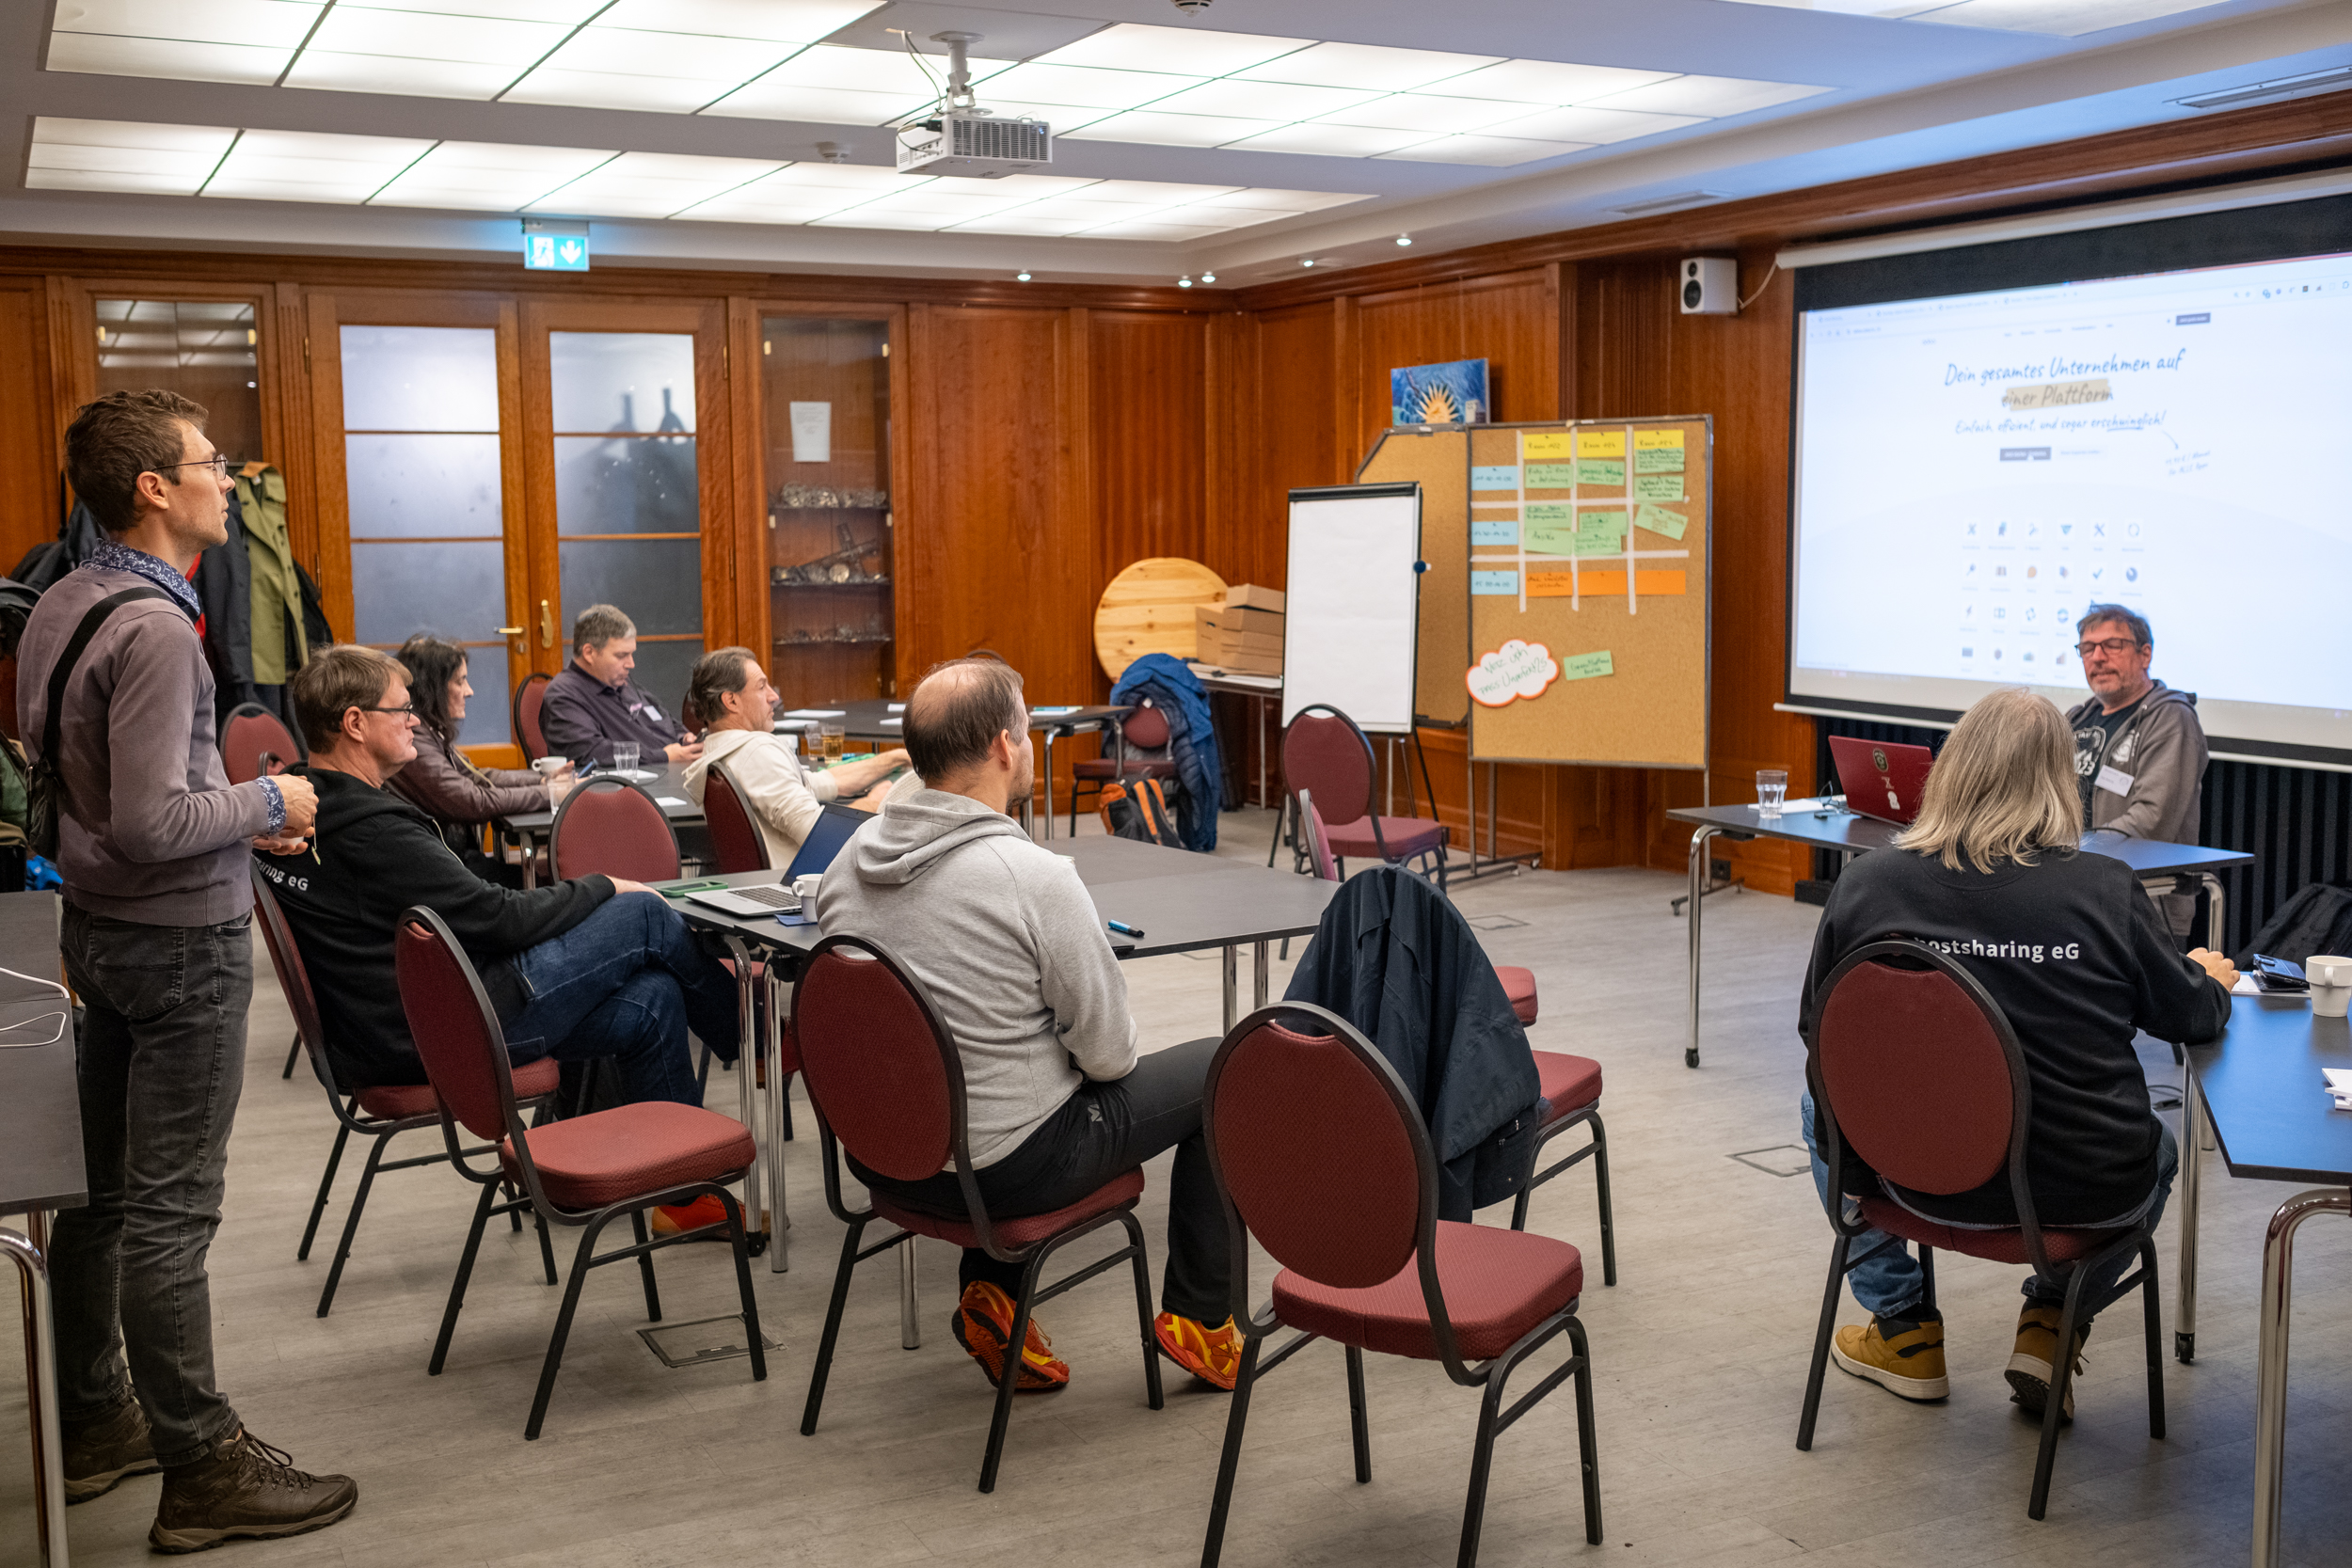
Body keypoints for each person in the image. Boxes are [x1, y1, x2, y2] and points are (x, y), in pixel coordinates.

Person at [21, 389, 356, 1549]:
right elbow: (160, 819)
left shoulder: (64, 598)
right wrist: (273, 797)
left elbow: (93, 795)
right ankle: (203, 1464)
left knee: (104, 1203)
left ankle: (94, 1417)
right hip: (178, 945)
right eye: (212, 464)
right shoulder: (159, 627)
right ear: (155, 488)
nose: (231, 480)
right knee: (170, 1215)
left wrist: (223, 812)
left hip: (97, 934)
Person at [1797, 687, 2233, 1421]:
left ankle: (1904, 1328)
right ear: (2063, 780)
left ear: (1953, 769)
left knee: (1820, 1101)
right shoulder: (2104, 889)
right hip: (2068, 1189)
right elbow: (2187, 1018)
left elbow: (1820, 1031)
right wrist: (2212, 980)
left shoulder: (1867, 880)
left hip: (1901, 1178)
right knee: (2158, 1150)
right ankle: (2053, 1317)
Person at [816, 657, 1244, 1393]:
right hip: (1004, 1173)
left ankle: (996, 1296)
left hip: (884, 1154)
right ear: (1003, 747)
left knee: (1006, 1082)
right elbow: (1111, 1057)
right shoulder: (1033, 877)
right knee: (1221, 1067)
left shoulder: (850, 859)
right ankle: (1201, 1319)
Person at [262, 647, 740, 1176]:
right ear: (355, 723)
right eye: (401, 710)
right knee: (644, 915)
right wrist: (604, 884)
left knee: (655, 998)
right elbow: (501, 919)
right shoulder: (373, 832)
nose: (415, 721)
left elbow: (480, 918)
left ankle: (677, 1190)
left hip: (399, 1027)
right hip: (444, 1033)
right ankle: (752, 1037)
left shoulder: (300, 811)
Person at [679, 646, 910, 864]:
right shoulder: (756, 754)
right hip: (807, 884)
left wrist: (896, 757)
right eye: (761, 687)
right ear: (731, 700)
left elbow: (826, 782)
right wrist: (877, 803)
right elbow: (821, 837)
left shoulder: (724, 752)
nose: (773, 697)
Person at [2066, 602, 2208, 941]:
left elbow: (2150, 820)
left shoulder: (2171, 718)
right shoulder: (2074, 718)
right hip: (2075, 893)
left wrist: (2066, 851)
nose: (2098, 657)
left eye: (2112, 645)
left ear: (2145, 655)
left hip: (2141, 905)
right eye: (2087, 648)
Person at [388, 633, 564, 885]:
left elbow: (476, 776)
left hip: (452, 860)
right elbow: (471, 800)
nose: (469, 692)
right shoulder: (413, 738)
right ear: (434, 687)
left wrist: (544, 779)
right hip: (444, 873)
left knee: (554, 875)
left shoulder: (427, 730)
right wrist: (552, 793)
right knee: (555, 881)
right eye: (461, 681)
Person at [538, 603, 701, 768]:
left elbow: (660, 717)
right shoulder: (564, 694)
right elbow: (591, 752)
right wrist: (663, 756)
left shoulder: (622, 681)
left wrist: (682, 736)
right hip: (619, 786)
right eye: (621, 656)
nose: (631, 664)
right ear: (589, 653)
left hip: (669, 769)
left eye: (631, 654)